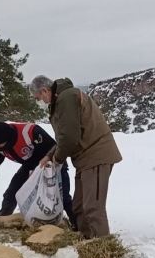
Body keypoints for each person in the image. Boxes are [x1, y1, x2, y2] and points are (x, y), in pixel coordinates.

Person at [29, 75, 122, 239]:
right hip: (84, 159)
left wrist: (57, 159)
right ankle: (86, 241)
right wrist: (49, 156)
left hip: (97, 154)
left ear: (45, 91)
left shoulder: (66, 98)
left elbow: (70, 136)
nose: (38, 102)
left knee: (93, 206)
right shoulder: (60, 100)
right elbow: (64, 137)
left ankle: (102, 248)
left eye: (37, 98)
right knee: (79, 206)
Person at [0, 121, 77, 229]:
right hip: (29, 166)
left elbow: (54, 148)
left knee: (63, 198)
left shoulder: (30, 132)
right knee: (11, 194)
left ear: (7, 138)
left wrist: (43, 169)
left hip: (53, 164)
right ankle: (4, 223)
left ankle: (77, 226)